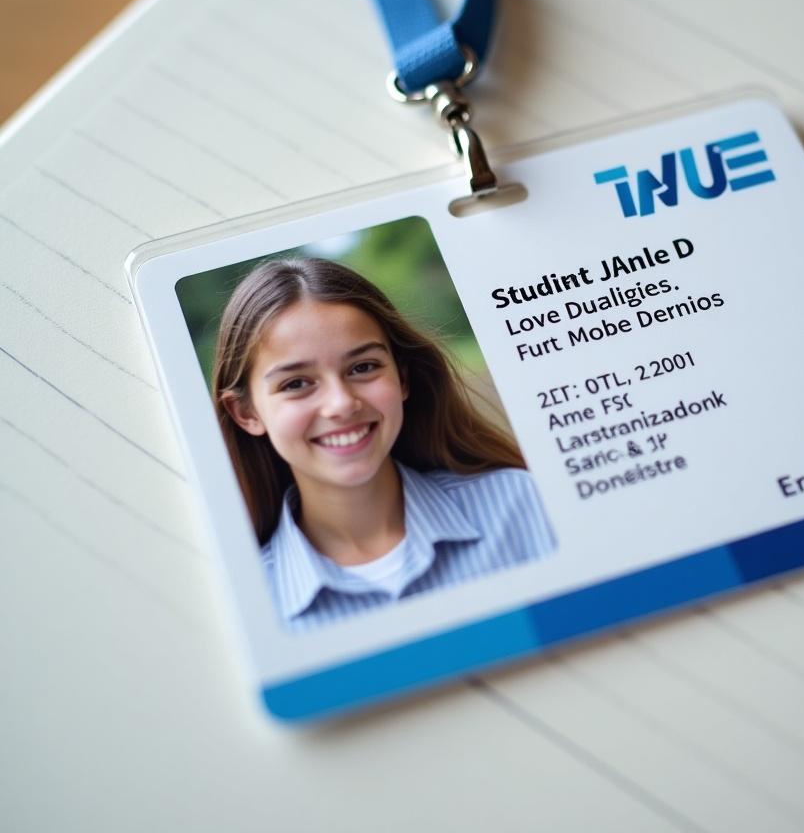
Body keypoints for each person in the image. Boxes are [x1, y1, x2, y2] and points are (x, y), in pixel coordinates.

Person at [213, 256, 556, 632]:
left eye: (363, 367)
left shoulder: (527, 504)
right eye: (296, 384)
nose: (342, 403)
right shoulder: (245, 610)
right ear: (246, 413)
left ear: (402, 378)